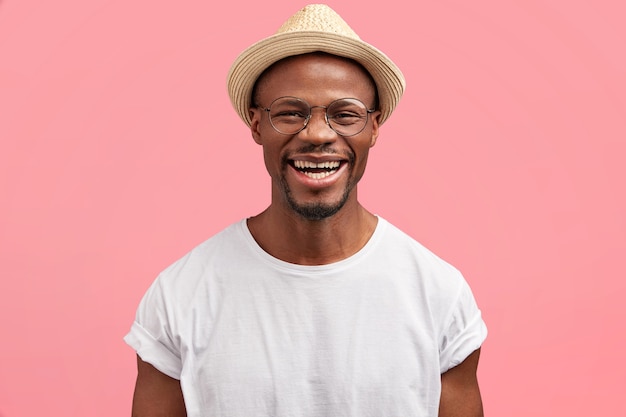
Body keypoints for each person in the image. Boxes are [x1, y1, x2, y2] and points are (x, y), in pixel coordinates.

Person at [125, 4, 487, 417]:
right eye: (290, 113)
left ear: (374, 127)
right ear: (256, 124)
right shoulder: (179, 297)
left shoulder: (438, 295)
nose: (317, 134)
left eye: (345, 114)